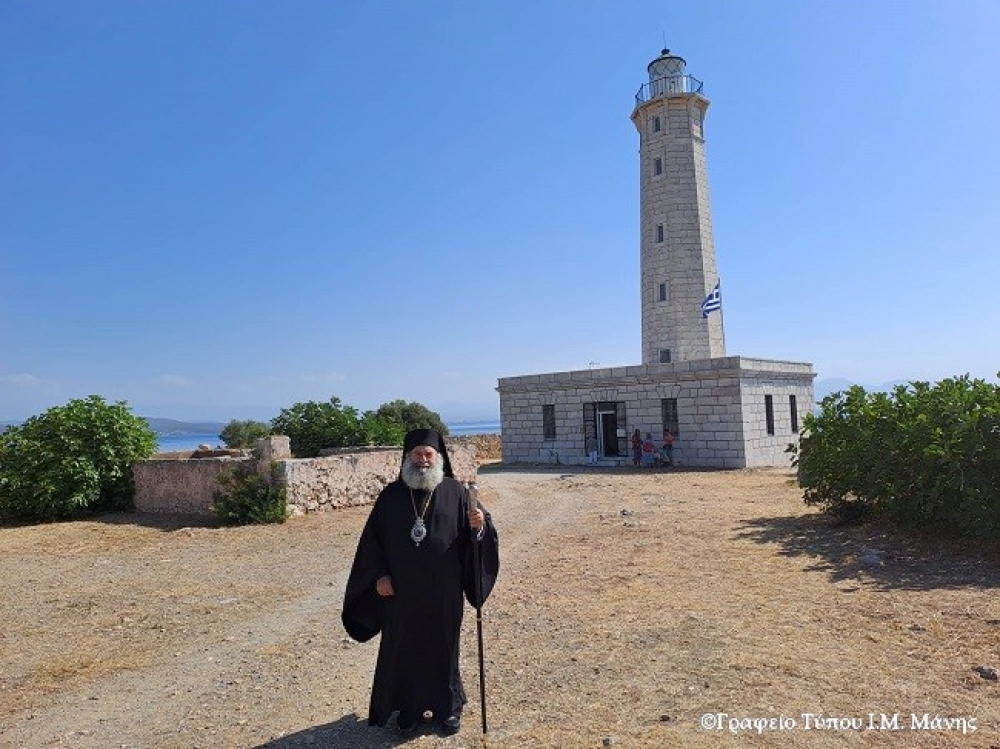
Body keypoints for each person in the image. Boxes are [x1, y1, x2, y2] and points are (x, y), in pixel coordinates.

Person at [342, 428, 500, 737]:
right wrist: (379, 576)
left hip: (444, 591)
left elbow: (480, 536)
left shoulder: (458, 492)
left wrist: (480, 527)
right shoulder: (390, 496)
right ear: (407, 458)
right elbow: (371, 544)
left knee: (444, 647)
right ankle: (409, 710)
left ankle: (448, 709)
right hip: (400, 592)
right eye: (418, 454)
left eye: (429, 454)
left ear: (439, 458)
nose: (423, 460)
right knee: (404, 648)